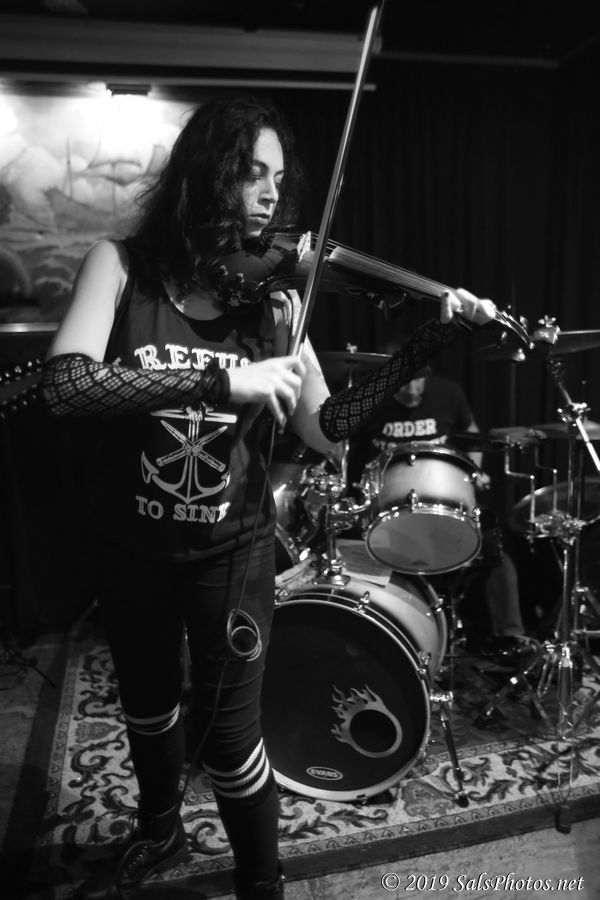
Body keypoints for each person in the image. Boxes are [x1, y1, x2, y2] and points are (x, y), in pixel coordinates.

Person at [41, 95, 496, 900]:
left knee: (230, 737)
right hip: (130, 543)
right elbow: (66, 385)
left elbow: (328, 427)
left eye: (278, 180)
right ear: (205, 173)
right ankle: (159, 827)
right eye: (251, 172)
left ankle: (261, 881)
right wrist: (222, 379)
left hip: (231, 552)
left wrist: (419, 348)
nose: (269, 196)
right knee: (148, 702)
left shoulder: (279, 302)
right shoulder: (121, 266)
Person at [349, 362, 536, 666]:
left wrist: (475, 472)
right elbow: (344, 451)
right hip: (388, 506)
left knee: (495, 550)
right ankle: (383, 639)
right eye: (404, 383)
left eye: (418, 382)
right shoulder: (371, 402)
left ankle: (510, 636)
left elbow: (472, 432)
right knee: (360, 555)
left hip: (445, 498)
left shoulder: (448, 393)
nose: (412, 389)